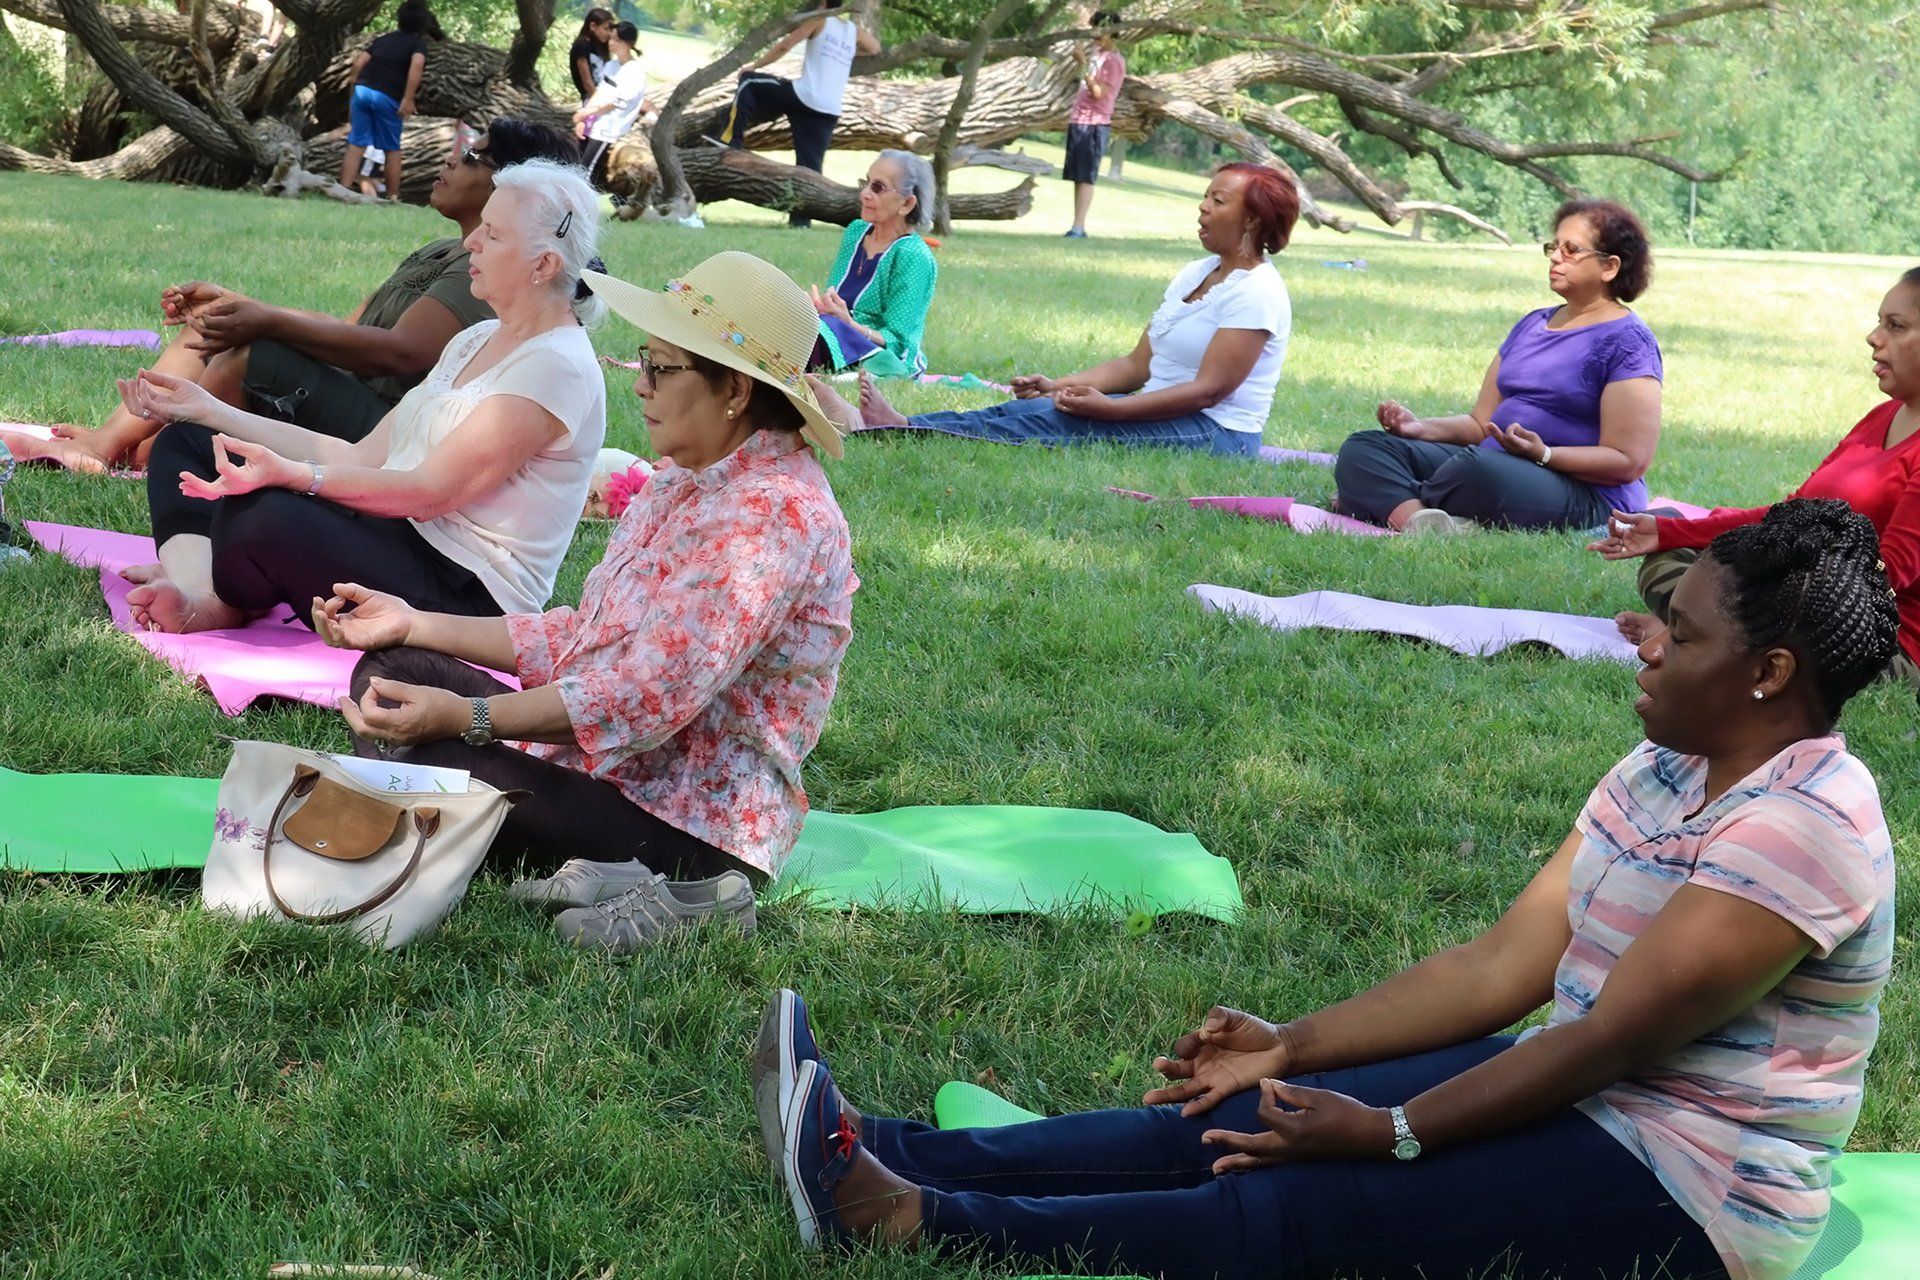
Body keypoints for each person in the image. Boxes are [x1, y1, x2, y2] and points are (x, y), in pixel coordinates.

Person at [755, 498, 1900, 1280]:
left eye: (1679, 629)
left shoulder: (1803, 827)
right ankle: (889, 1143)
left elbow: (1602, 1045)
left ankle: (906, 1213)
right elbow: (1504, 965)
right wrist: (1293, 1047)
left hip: (1695, 1178)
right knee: (1241, 1113)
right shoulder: (1668, 765)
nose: (1638, 635)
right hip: (1588, 1087)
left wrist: (1390, 1131)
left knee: (1313, 1199)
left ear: (1770, 674)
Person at [309, 251, 861, 956]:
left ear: (735, 392)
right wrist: (414, 622)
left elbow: (642, 697)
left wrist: (471, 718)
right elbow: (585, 635)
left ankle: (683, 895)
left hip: (687, 832)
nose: (642, 389)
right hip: (604, 776)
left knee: (426, 746)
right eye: (645, 363)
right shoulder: (686, 479)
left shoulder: (771, 516)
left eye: (662, 370)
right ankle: (452, 800)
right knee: (396, 668)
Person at [111, 159, 608, 636]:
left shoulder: (556, 365)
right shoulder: (476, 339)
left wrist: (294, 479)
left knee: (263, 513)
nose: (472, 242)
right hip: (397, 535)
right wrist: (207, 408)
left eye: (493, 234)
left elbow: (429, 493)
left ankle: (218, 590)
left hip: (465, 593)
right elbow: (358, 455)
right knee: (191, 443)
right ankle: (203, 594)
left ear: (543, 264)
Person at [0, 119, 580, 475]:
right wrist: (242, 304)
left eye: (474, 156)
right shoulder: (440, 250)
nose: (452, 160)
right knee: (223, 328)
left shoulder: (486, 272)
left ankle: (108, 449)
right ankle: (119, 441)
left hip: (382, 433)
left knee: (249, 349)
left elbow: (399, 353)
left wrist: (266, 323)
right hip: (351, 403)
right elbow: (346, 326)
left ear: (514, 185)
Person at [1595, 267, 1920, 693]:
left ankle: (1694, 635)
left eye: (1895, 326)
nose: (1874, 336)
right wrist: (1670, 530)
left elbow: (1887, 573)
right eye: (1880, 322)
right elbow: (1788, 515)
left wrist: (1773, 581)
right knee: (1670, 558)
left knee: (1728, 598)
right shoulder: (1881, 417)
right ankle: (1699, 634)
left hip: (1873, 642)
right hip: (1800, 603)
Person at [854, 163, 1294, 457]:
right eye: (1206, 197)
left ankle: (903, 432)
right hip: (1169, 409)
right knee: (1034, 409)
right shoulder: (1198, 272)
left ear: (1252, 220)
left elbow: (1208, 392)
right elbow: (1137, 364)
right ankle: (907, 424)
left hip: (1218, 433)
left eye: (1218, 201)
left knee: (1060, 425)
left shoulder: (1257, 291)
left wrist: (1115, 411)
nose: (1203, 207)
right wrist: (1056, 384)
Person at [1334, 198, 1662, 534]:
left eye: (1571, 249)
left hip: (1583, 492)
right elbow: (1480, 424)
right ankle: (1419, 521)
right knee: (1365, 448)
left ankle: (1380, 500)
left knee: (1475, 471)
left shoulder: (1630, 343)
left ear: (1609, 267)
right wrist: (1420, 429)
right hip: (1494, 466)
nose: (1554, 256)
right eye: (1553, 246)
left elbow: (1628, 461)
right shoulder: (1533, 324)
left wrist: (1545, 454)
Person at [715, 0, 881, 229]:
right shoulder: (853, 32)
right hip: (828, 110)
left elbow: (785, 45)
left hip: (805, 96)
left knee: (749, 82)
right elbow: (875, 48)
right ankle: (801, 222)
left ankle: (729, 142)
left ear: (822, 3)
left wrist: (754, 65)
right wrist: (846, 50)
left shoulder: (818, 19)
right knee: (809, 169)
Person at [808, 150, 938, 374]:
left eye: (878, 187)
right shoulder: (855, 232)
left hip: (883, 357)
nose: (865, 194)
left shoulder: (914, 255)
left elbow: (898, 341)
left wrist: (849, 325)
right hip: (835, 333)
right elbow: (836, 300)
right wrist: (820, 307)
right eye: (866, 183)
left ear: (907, 204)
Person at [341, 0, 433, 200]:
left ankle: (344, 191)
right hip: (387, 96)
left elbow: (359, 63)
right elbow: (417, 64)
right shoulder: (418, 44)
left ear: (399, 20)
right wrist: (408, 99)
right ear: (424, 24)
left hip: (362, 90)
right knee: (391, 148)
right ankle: (392, 197)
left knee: (356, 143)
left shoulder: (383, 39)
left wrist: (353, 92)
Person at [1062, 10, 1126, 240]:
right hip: (1079, 120)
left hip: (1095, 123)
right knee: (1078, 175)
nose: (1095, 35)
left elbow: (1099, 93)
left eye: (1101, 30)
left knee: (1086, 176)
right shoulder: (1097, 54)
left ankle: (1079, 227)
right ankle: (1076, 224)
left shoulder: (1114, 61)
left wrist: (1082, 65)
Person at [572, 21, 652, 178]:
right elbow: (600, 92)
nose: (612, 43)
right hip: (595, 124)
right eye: (611, 38)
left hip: (609, 130)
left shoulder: (634, 72)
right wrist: (584, 117)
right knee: (578, 168)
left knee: (584, 174)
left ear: (629, 44)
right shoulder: (612, 65)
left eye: (617, 40)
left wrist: (586, 113)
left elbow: (615, 103)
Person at [567, 8, 614, 103]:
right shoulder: (582, 45)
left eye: (610, 30)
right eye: (605, 29)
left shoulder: (601, 45)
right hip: (592, 98)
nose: (609, 34)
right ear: (593, 26)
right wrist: (599, 104)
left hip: (607, 95)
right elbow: (587, 82)